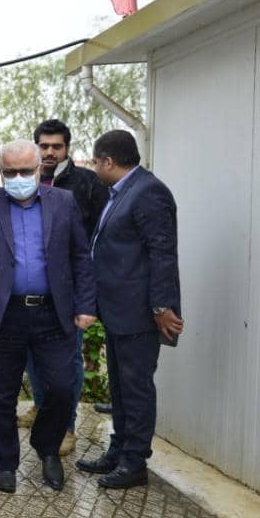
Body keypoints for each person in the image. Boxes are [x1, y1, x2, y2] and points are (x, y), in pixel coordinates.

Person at [0, 140, 96, 493]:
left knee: (62, 388)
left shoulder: (63, 203)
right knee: (0, 395)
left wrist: (85, 305)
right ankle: (6, 462)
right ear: (0, 172)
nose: (18, 178)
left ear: (38, 170)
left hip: (54, 313)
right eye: (10, 172)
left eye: (24, 171)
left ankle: (47, 447)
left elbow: (81, 256)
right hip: (3, 315)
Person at [77, 130, 182, 489]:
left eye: (96, 162)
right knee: (121, 388)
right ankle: (118, 451)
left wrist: (161, 305)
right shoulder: (122, 192)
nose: (94, 169)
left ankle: (135, 462)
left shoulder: (149, 192)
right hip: (119, 310)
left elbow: (162, 253)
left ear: (108, 162)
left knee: (136, 389)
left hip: (140, 312)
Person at [19, 119, 110, 455]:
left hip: (68, 289)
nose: (50, 152)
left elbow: (100, 235)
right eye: (44, 146)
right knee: (32, 353)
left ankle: (66, 426)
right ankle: (42, 406)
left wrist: (88, 292)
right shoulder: (24, 180)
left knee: (67, 360)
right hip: (30, 286)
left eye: (56, 146)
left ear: (66, 149)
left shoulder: (86, 183)